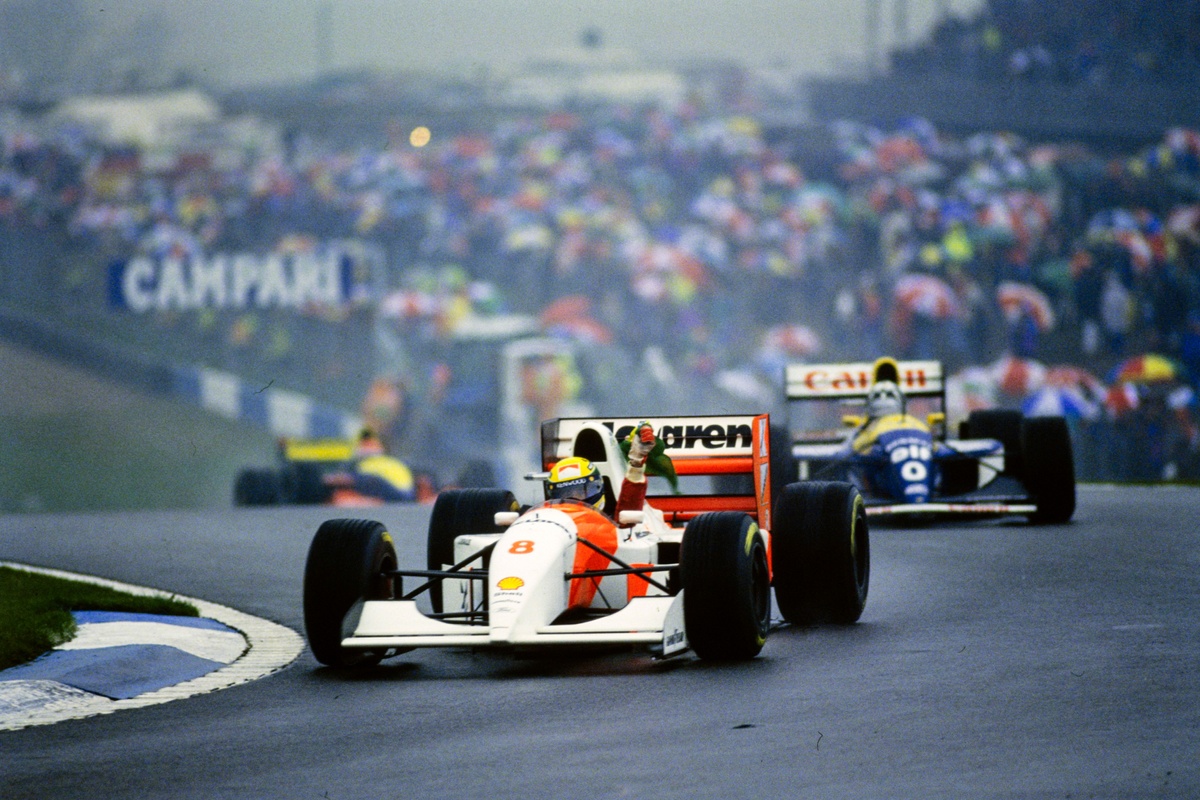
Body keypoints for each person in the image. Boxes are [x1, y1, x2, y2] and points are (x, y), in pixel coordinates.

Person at [544, 421, 657, 523]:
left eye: (581, 492)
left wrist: (636, 464)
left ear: (600, 487)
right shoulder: (548, 524)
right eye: (567, 495)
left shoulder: (618, 523)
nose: (575, 501)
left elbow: (630, 506)